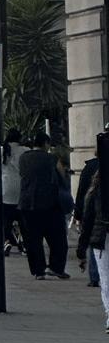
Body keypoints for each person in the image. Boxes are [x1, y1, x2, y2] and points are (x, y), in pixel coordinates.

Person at [17, 130, 70, 280]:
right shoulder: (52, 158)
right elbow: (62, 177)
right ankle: (56, 267)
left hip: (27, 203)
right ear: (46, 143)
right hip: (50, 204)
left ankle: (38, 270)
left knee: (33, 240)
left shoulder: (23, 158)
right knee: (58, 239)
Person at [78, 132, 109, 327]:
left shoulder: (96, 180)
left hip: (101, 236)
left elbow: (88, 216)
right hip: (101, 235)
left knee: (106, 277)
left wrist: (82, 250)